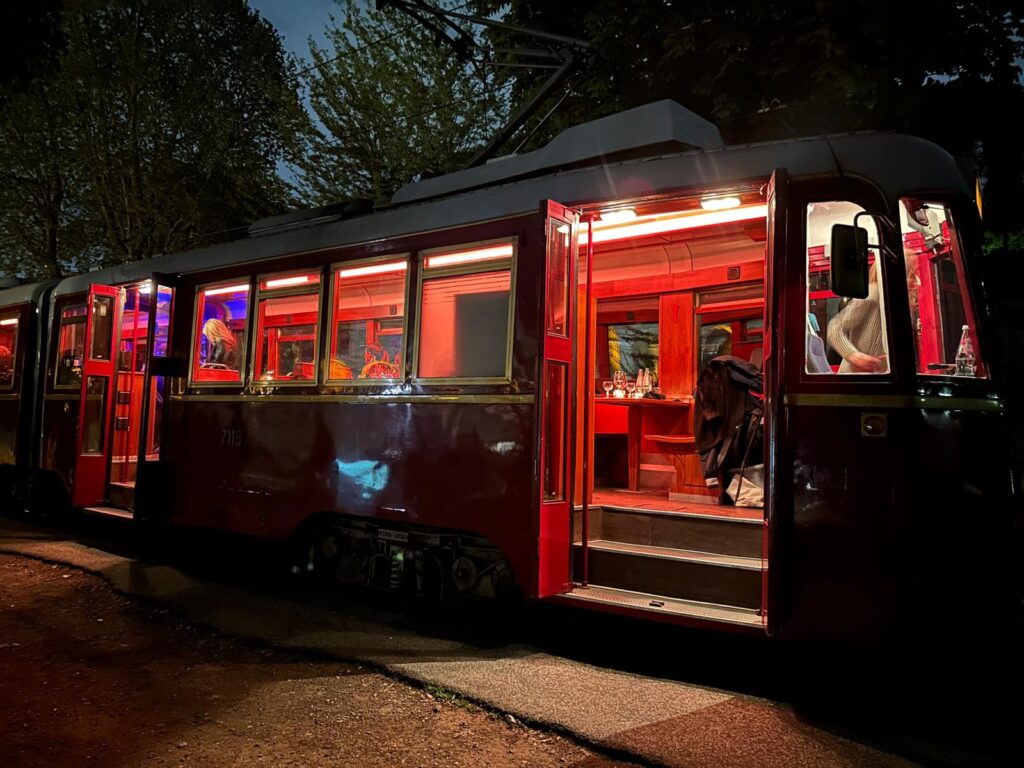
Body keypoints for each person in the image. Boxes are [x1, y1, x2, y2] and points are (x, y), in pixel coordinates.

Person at [826, 261, 889, 373]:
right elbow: (834, 328)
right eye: (911, 274)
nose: (917, 281)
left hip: (879, 379)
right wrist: (855, 356)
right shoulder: (874, 293)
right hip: (858, 381)